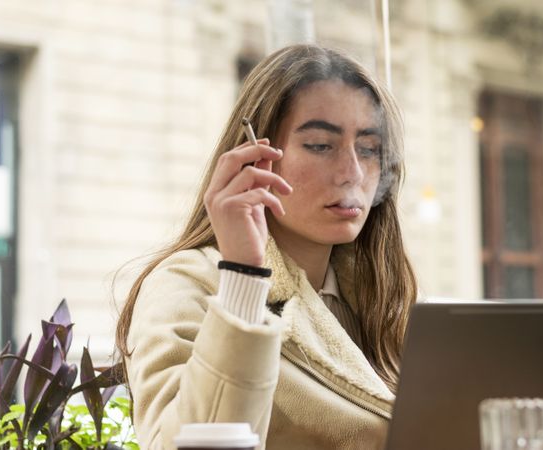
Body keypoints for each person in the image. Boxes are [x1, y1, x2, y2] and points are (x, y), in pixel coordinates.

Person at [115, 44, 418, 450]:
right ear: (255, 157)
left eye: (368, 149)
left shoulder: (378, 294)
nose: (352, 172)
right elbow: (184, 443)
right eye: (320, 146)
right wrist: (244, 278)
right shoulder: (186, 284)